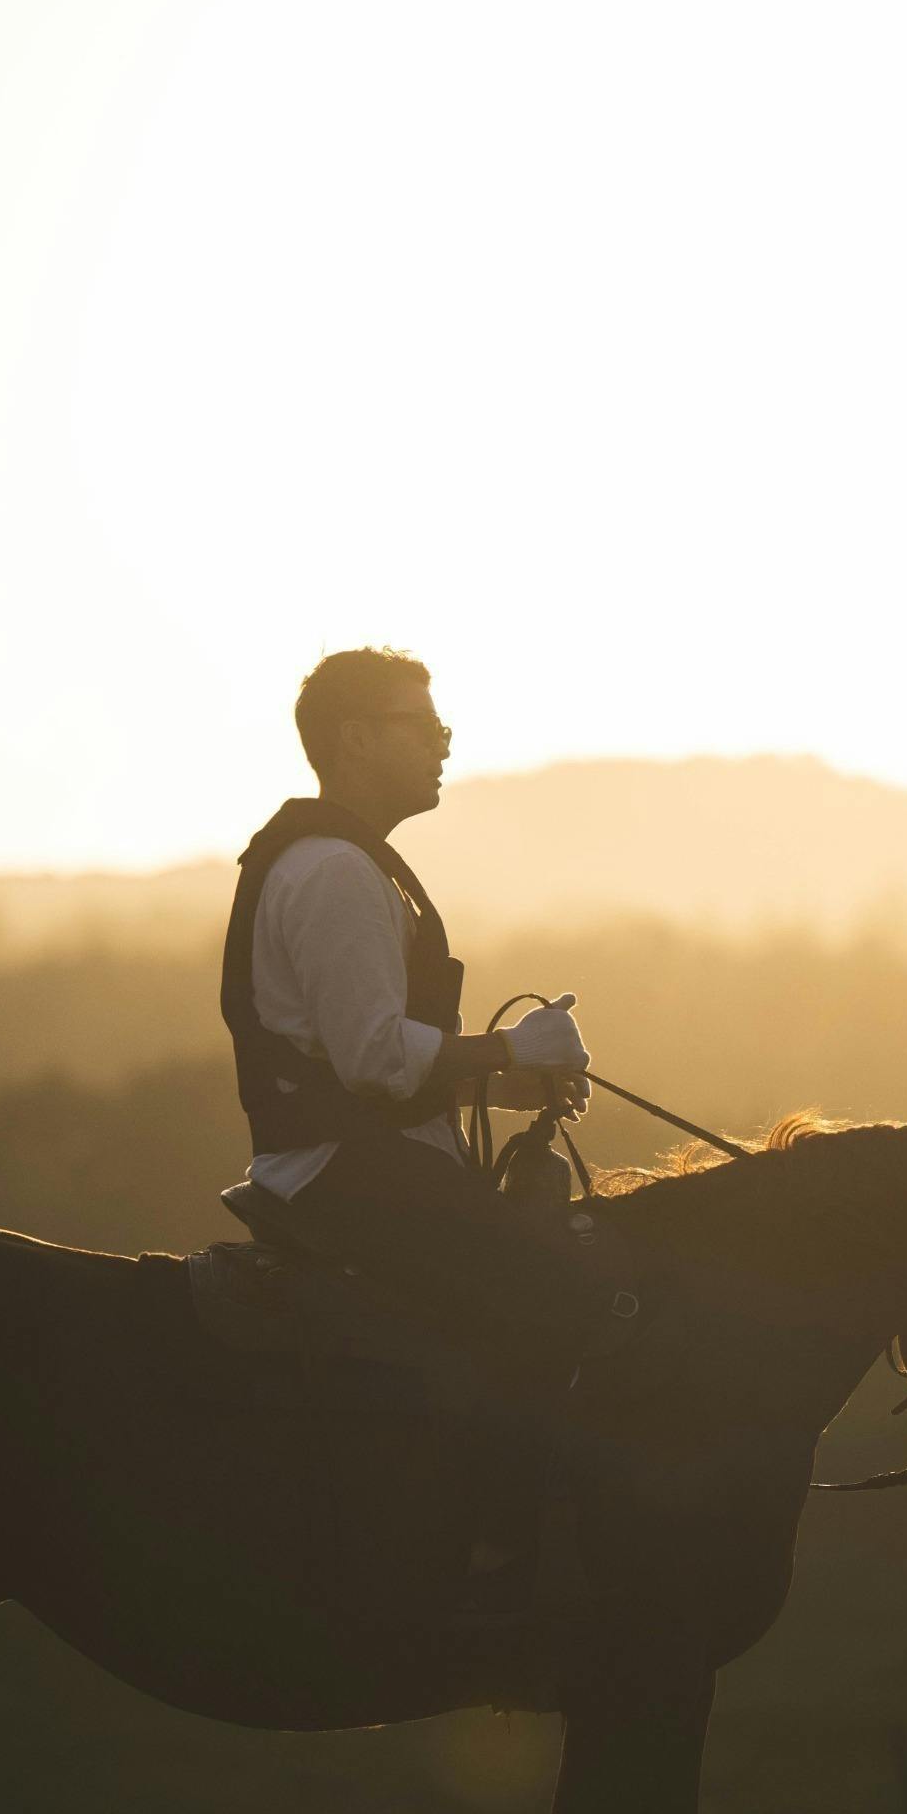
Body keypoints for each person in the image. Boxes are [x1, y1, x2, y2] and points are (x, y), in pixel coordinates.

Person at [220, 646, 626, 1609]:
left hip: (353, 1153)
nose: (445, 745)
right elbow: (368, 1055)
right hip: (337, 1171)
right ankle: (495, 1556)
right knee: (554, 1292)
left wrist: (507, 1088)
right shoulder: (338, 875)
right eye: (425, 727)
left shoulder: (349, 865)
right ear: (356, 739)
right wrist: (506, 1053)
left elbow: (365, 1062)